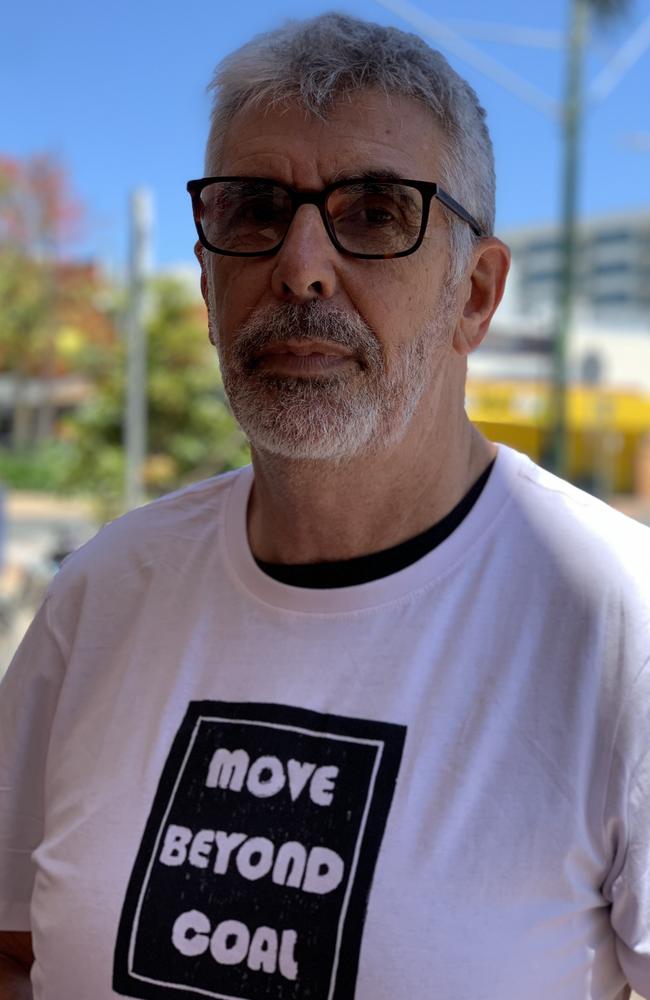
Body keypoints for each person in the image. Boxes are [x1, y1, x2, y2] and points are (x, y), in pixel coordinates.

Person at [1, 13, 649, 1000]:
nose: (299, 264)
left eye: (377, 211)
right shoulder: (101, 593)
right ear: (207, 278)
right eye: (253, 207)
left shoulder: (617, 625)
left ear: (474, 295)